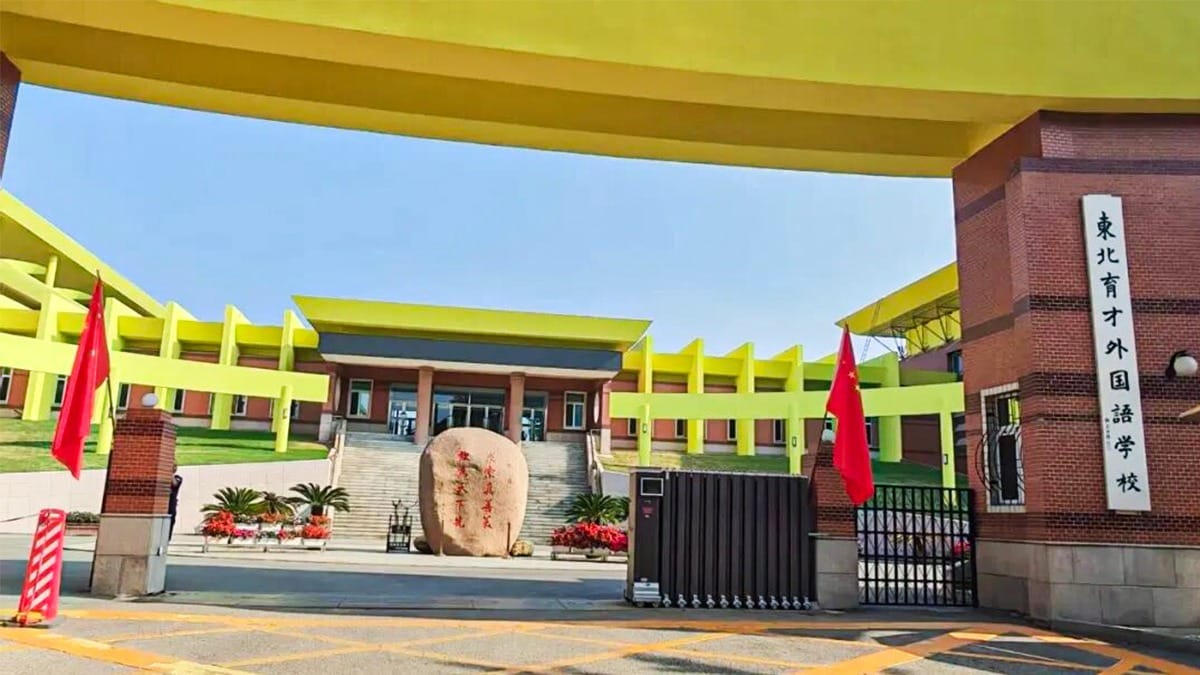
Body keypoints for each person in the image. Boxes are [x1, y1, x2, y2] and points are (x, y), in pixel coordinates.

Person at [168, 464, 182, 540]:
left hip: (171, 504)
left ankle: (168, 538)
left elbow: (175, 484)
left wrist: (170, 473)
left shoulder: (178, 478)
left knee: (171, 520)